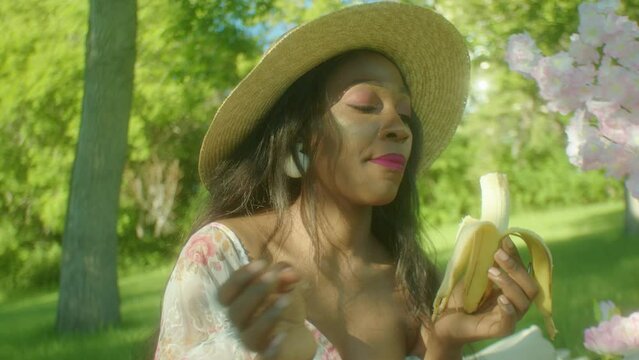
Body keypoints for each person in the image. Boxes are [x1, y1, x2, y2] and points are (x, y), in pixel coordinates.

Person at [154, 2, 540, 359]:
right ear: (301, 134)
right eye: (364, 106)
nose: (399, 128)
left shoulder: (414, 284)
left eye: (405, 114)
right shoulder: (225, 257)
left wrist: (445, 340)